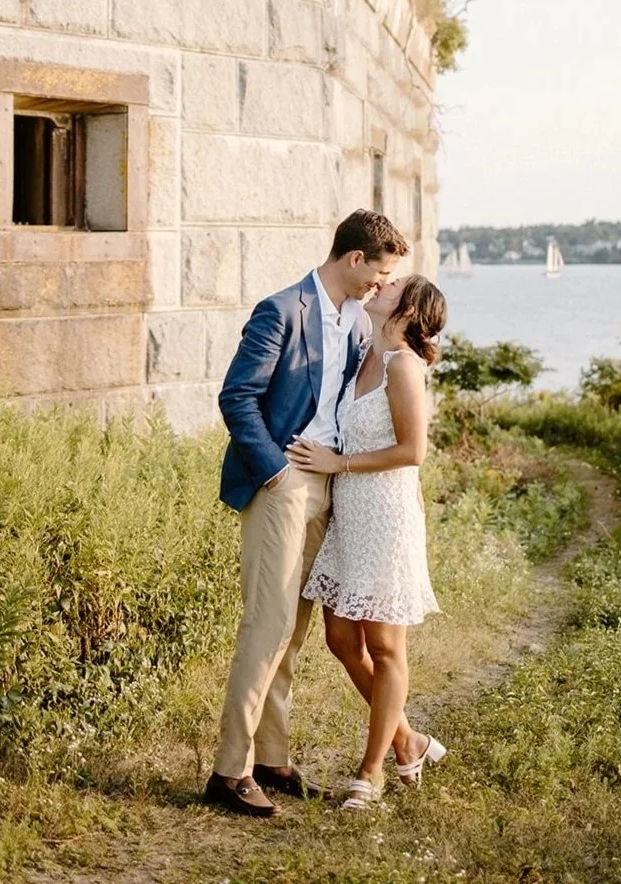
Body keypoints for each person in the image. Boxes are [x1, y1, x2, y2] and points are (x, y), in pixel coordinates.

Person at [204, 210, 409, 818]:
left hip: (330, 485)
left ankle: (272, 759)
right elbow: (236, 396)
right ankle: (229, 771)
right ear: (354, 260)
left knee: (291, 633)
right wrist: (275, 472)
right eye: (381, 271)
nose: (382, 284)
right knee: (266, 625)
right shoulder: (281, 309)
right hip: (283, 484)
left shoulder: (355, 318)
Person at [288, 274, 448, 810]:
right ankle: (410, 742)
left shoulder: (404, 364)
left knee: (384, 647)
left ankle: (372, 773)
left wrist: (341, 464)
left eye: (394, 285)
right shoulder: (364, 356)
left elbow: (413, 450)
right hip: (350, 515)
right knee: (339, 638)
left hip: (386, 516)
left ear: (407, 310)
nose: (381, 285)